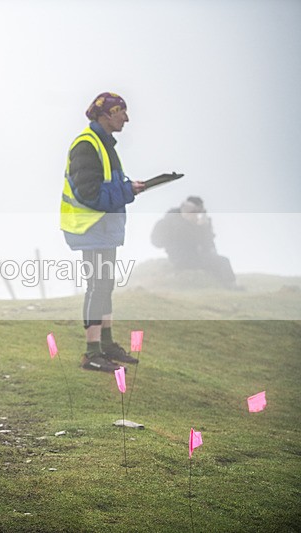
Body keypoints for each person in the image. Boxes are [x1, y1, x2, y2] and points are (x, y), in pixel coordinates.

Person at [60, 92, 146, 373]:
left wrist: (127, 187)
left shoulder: (103, 144)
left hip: (102, 229)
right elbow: (90, 193)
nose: (127, 118)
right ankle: (91, 353)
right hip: (90, 228)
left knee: (105, 284)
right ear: (106, 114)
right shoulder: (87, 145)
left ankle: (106, 346)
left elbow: (103, 185)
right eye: (122, 111)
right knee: (97, 286)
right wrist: (127, 190)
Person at [151, 196, 236, 287]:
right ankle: (230, 286)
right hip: (181, 258)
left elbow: (208, 246)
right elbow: (156, 241)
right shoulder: (171, 221)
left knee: (218, 261)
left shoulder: (198, 224)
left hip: (195, 256)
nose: (195, 214)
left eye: (198, 211)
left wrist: (204, 227)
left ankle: (224, 286)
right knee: (222, 261)